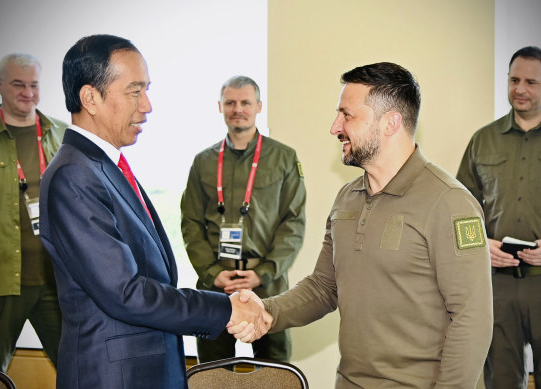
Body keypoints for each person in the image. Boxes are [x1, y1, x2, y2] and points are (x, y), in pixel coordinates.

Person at [230, 62, 494, 388]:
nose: (334, 127)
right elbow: (325, 287)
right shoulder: (347, 197)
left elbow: (471, 319)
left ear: (390, 122)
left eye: (347, 115)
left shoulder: (450, 202)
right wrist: (266, 311)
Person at [39, 34, 268, 389]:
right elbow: (124, 292)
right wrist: (225, 309)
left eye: (146, 90)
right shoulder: (74, 175)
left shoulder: (102, 166)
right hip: (114, 376)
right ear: (90, 98)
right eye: (134, 91)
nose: (147, 105)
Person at [180, 75, 306, 362]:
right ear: (220, 106)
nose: (238, 109)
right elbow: (191, 222)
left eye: (245, 102)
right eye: (231, 102)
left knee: (275, 371)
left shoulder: (284, 158)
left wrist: (263, 272)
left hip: (267, 285)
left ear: (259, 106)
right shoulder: (203, 161)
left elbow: (293, 222)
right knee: (212, 371)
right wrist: (213, 273)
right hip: (216, 286)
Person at [0, 54, 65, 372]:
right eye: (18, 84)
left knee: (78, 367)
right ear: (0, 86)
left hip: (56, 281)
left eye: (34, 84)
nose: (27, 93)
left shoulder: (62, 134)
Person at [456, 46, 541, 389]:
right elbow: (458, 210)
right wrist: (479, 244)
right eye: (514, 80)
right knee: (502, 380)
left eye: (531, 82)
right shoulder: (482, 140)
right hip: (496, 285)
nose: (520, 89)